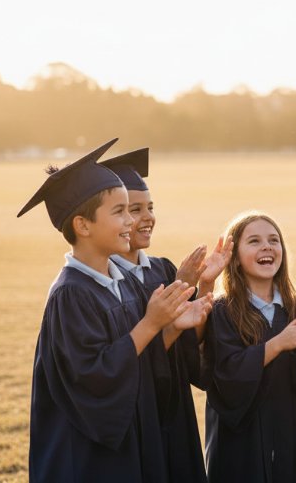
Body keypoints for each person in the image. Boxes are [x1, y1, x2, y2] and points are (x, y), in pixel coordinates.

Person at [17, 138, 205, 483]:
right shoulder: (71, 295)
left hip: (130, 448)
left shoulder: (125, 283)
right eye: (120, 212)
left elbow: (144, 366)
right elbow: (92, 378)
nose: (130, 223)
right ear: (83, 225)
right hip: (87, 458)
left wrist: (172, 326)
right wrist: (151, 323)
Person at [101, 147, 220, 483]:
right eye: (133, 209)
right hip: (137, 421)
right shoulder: (104, 283)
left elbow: (188, 353)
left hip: (175, 415)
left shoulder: (162, 270)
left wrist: (202, 286)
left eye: (150, 207)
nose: (146, 217)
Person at [202, 212, 296, 483]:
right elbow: (225, 373)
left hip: (288, 435)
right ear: (235, 258)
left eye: (274, 240)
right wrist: (278, 344)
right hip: (239, 442)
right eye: (254, 241)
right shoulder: (223, 312)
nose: (267, 246)